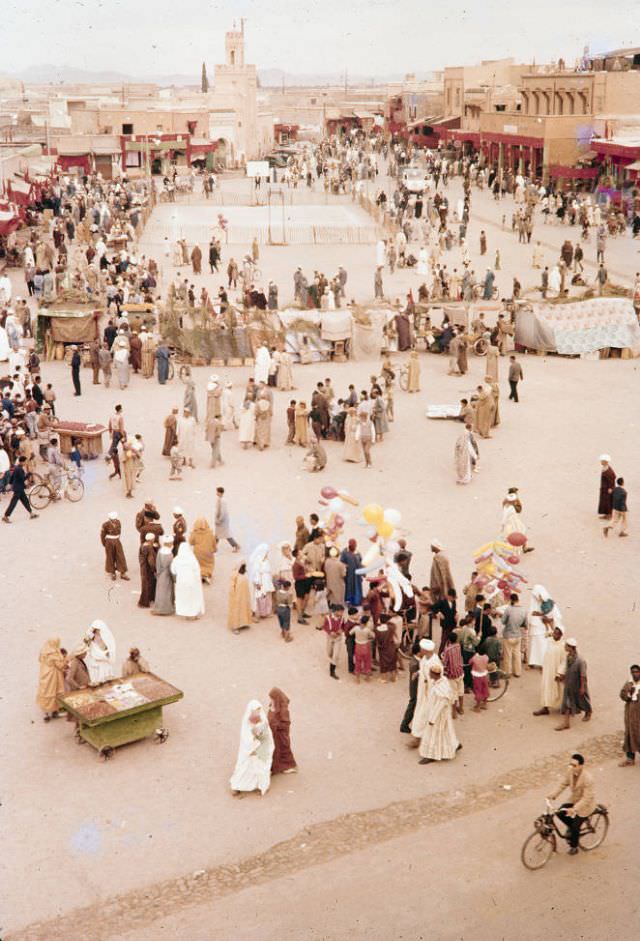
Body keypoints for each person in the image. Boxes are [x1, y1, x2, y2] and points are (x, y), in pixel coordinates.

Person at [547, 754, 596, 854]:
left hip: (585, 805)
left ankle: (574, 847)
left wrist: (574, 809)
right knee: (560, 812)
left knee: (575, 826)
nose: (571, 767)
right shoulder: (570, 772)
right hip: (574, 800)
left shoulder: (588, 779)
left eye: (574, 765)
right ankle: (573, 830)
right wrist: (554, 794)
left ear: (581, 766)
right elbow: (563, 784)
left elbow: (587, 798)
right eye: (571, 764)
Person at [230, 700, 275, 797]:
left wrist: (259, 747)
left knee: (261, 768)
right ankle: (236, 786)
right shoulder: (246, 722)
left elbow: (267, 738)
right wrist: (252, 746)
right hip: (248, 751)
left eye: (259, 709)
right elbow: (246, 738)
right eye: (255, 710)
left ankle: (262, 786)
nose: (257, 712)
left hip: (261, 750)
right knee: (243, 768)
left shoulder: (263, 720)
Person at [418, 662, 460, 764]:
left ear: (435, 674)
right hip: (438, 713)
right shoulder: (441, 681)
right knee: (445, 732)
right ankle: (455, 744)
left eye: (430, 673)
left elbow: (440, 705)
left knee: (434, 734)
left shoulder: (441, 688)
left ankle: (431, 755)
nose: (429, 675)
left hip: (438, 715)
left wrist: (432, 719)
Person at [555, 639, 592, 730]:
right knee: (567, 702)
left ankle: (588, 711)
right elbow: (567, 669)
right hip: (569, 683)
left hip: (578, 683)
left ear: (571, 647)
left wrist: (582, 687)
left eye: (566, 646)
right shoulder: (568, 657)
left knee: (583, 699)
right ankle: (566, 723)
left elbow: (583, 675)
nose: (565, 647)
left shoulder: (580, 660)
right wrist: (562, 677)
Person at [533, 622, 566, 716]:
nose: (555, 635)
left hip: (556, 672)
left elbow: (564, 662)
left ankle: (563, 707)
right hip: (547, 671)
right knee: (546, 688)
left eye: (557, 633)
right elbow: (546, 655)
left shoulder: (563, 646)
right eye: (554, 633)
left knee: (558, 689)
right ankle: (545, 707)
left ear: (561, 635)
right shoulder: (550, 642)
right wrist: (542, 666)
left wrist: (559, 673)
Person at [528, 585, 562, 668]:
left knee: (542, 645)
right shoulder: (541, 603)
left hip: (542, 628)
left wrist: (540, 616)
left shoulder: (547, 603)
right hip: (538, 627)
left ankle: (543, 663)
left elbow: (553, 616)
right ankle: (534, 662)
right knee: (536, 645)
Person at [171, 543, 205, 619]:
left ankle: (184, 613)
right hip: (191, 581)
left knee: (183, 597)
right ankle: (192, 614)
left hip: (181, 582)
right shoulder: (192, 559)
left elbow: (173, 571)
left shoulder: (176, 559)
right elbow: (197, 570)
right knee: (192, 598)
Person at [37, 637, 66, 721]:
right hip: (53, 677)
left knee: (46, 693)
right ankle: (55, 712)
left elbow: (39, 660)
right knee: (55, 692)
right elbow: (60, 666)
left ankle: (46, 714)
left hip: (45, 675)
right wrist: (67, 659)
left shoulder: (44, 651)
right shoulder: (54, 654)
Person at [268, 688, 297, 773]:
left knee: (283, 750)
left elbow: (285, 723)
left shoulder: (283, 710)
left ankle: (287, 767)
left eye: (272, 698)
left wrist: (274, 724)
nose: (271, 700)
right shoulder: (273, 705)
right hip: (274, 733)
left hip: (281, 735)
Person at [2, 456, 38, 523]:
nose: (25, 463)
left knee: (25, 501)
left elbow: (12, 477)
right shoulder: (20, 469)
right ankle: (6, 516)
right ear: (22, 462)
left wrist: (9, 484)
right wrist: (29, 474)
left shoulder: (16, 468)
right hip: (18, 489)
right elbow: (23, 479)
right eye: (25, 461)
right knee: (13, 503)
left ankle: (31, 514)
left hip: (18, 488)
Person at [501, 593, 527, 678]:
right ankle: (517, 672)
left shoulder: (508, 609)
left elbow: (503, 621)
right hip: (518, 635)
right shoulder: (524, 610)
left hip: (508, 635)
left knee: (507, 655)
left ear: (511, 600)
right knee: (517, 655)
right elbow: (525, 624)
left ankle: (507, 672)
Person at [83, 620, 116, 685]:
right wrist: (90, 631)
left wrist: (105, 654)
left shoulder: (104, 636)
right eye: (96, 629)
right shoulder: (91, 637)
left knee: (106, 681)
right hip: (95, 663)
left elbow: (108, 648)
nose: (98, 631)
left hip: (103, 661)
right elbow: (85, 643)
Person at [619, 664, 640, 766]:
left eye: (637, 672)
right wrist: (628, 694)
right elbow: (622, 695)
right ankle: (630, 759)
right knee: (629, 735)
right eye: (633, 672)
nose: (635, 674)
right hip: (630, 715)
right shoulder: (629, 683)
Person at [100, 511, 130, 581]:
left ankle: (123, 573)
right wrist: (105, 544)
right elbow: (102, 535)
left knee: (121, 556)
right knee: (110, 557)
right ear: (110, 519)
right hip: (109, 542)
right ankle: (113, 572)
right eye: (113, 519)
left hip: (116, 541)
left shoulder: (118, 522)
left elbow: (119, 532)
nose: (114, 520)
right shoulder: (105, 525)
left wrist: (117, 540)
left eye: (115, 519)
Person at [249, 543, 275, 619]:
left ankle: (267, 612)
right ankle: (259, 613)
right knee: (260, 597)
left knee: (268, 596)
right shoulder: (258, 561)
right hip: (262, 581)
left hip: (267, 580)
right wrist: (257, 582)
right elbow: (256, 572)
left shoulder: (266, 560)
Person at [152, 537, 175, 615]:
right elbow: (171, 567)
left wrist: (158, 573)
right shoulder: (170, 554)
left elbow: (157, 563)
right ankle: (167, 609)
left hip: (161, 574)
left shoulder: (160, 551)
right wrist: (173, 577)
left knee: (159, 591)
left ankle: (158, 608)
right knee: (168, 592)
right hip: (167, 575)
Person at [189, 517, 216, 584]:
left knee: (199, 564)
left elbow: (191, 542)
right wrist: (214, 549)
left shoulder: (195, 533)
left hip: (198, 553)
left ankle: (200, 575)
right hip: (208, 552)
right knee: (208, 564)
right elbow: (214, 543)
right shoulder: (210, 533)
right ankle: (207, 575)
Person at [228, 561, 252, 634]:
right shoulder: (234, 575)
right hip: (237, 597)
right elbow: (232, 587)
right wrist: (234, 596)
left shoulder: (243, 575)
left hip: (244, 597)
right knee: (237, 610)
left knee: (244, 609)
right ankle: (235, 627)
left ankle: (244, 623)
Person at [349, 615, 375, 682]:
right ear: (366, 623)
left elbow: (350, 633)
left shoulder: (356, 628)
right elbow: (373, 636)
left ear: (360, 621)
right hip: (366, 646)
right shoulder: (367, 630)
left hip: (358, 646)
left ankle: (357, 679)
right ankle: (367, 678)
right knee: (367, 662)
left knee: (358, 662)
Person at [215, 487, 240, 551]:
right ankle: (213, 546)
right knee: (218, 535)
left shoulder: (223, 501)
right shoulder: (220, 499)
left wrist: (219, 520)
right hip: (221, 521)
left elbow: (223, 512)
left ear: (220, 493)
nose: (216, 493)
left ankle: (236, 545)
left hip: (222, 521)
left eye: (217, 491)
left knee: (226, 535)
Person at [375, 613, 398, 682]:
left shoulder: (376, 629)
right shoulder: (391, 627)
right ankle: (393, 678)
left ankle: (383, 678)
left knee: (383, 663)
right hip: (391, 647)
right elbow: (392, 624)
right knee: (392, 662)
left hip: (382, 648)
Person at [340, 539, 363, 606]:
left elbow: (361, 562)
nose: (354, 547)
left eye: (355, 545)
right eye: (353, 545)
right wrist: (346, 566)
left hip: (357, 574)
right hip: (349, 574)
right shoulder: (345, 552)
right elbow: (341, 562)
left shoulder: (358, 553)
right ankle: (349, 601)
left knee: (357, 587)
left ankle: (357, 601)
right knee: (349, 587)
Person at [138, 532, 157, 608]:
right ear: (151, 540)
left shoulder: (142, 546)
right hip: (148, 569)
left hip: (143, 568)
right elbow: (151, 561)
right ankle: (144, 602)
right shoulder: (149, 548)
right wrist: (154, 569)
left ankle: (147, 600)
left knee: (146, 583)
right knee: (148, 584)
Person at [598, 454, 616, 519]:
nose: (601, 462)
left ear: (605, 461)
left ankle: (609, 515)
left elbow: (613, 477)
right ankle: (606, 514)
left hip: (608, 488)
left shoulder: (609, 470)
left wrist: (611, 488)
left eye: (602, 461)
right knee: (604, 501)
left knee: (608, 501)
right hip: (604, 488)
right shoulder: (605, 468)